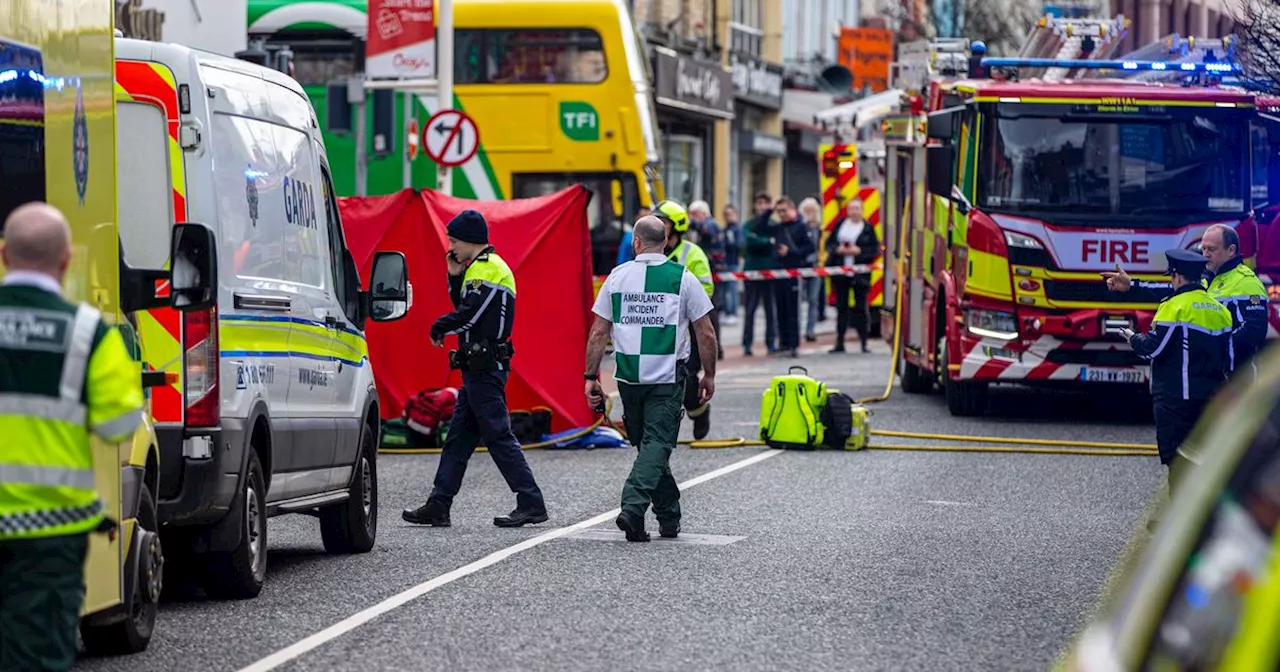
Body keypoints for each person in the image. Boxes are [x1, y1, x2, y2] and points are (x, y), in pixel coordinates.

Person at [0, 202, 143, 672]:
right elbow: (120, 426)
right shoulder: (88, 335)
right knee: (36, 657)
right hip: (48, 534)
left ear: (3, 255)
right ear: (65, 262)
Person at [403, 209, 548, 529]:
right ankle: (439, 504)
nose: (450, 246)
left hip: (485, 368)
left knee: (498, 435)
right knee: (458, 439)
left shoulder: (489, 269)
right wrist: (454, 276)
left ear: (470, 240)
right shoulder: (475, 269)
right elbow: (466, 307)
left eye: (454, 240)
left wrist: (438, 327)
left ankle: (531, 502)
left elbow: (470, 314)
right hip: (476, 368)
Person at [583, 216, 717, 542]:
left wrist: (590, 376)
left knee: (649, 446)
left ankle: (668, 518)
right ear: (667, 241)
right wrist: (709, 375)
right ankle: (632, 507)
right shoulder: (682, 278)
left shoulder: (616, 277)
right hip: (667, 376)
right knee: (655, 445)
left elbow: (599, 331)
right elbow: (706, 333)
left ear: (637, 243)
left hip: (629, 378)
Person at [1104, 224, 1268, 378]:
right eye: (1203, 248)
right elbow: (1171, 289)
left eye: (1211, 249)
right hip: (1209, 379)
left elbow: (1253, 332)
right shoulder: (1207, 278)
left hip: (1236, 379)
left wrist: (1212, 352)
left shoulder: (1247, 283)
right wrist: (1131, 285)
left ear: (1231, 250)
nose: (1205, 255)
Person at [1121, 249, 1232, 473]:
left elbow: (1152, 349)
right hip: (1210, 398)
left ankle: (1180, 507)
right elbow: (1228, 360)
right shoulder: (1220, 310)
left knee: (1178, 463)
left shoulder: (1173, 306)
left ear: (1178, 277)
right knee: (1205, 462)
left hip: (1176, 399)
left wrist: (1133, 338)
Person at [654, 200, 716, 440]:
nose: (659, 225)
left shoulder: (693, 253)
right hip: (658, 325)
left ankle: (698, 411)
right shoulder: (649, 250)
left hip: (688, 325)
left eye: (664, 221)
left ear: (676, 225)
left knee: (688, 379)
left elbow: (706, 288)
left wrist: (678, 301)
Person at [826, 197, 880, 353]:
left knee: (861, 308)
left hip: (860, 275)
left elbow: (874, 250)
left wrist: (859, 252)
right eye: (851, 209)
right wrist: (838, 249)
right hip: (841, 273)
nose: (854, 212)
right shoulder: (841, 225)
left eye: (857, 209)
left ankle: (864, 342)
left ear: (862, 211)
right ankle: (839, 342)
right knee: (841, 308)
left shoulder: (868, 228)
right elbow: (829, 244)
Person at [769, 197, 816, 358]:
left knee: (793, 310)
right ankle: (784, 342)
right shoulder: (777, 227)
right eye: (778, 211)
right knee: (780, 308)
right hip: (778, 272)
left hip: (794, 272)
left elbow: (810, 248)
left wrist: (790, 252)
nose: (781, 214)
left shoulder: (801, 226)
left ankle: (794, 343)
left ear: (792, 209)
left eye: (784, 210)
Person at [742, 192, 778, 356]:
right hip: (751, 271)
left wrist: (763, 242)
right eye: (759, 203)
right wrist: (766, 241)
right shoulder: (749, 224)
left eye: (765, 203)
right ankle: (747, 344)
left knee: (771, 309)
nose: (762, 206)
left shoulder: (773, 224)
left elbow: (776, 243)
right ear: (755, 206)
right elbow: (748, 242)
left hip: (769, 271)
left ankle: (771, 342)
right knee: (750, 309)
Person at [689, 201, 724, 360]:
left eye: (695, 214)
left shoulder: (711, 224)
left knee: (712, 311)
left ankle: (717, 347)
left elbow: (708, 233)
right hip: (707, 270)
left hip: (713, 271)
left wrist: (693, 223)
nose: (692, 218)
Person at [798, 197, 824, 342]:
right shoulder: (800, 227)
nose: (809, 214)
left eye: (812, 211)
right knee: (799, 300)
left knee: (813, 300)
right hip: (801, 266)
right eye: (806, 210)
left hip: (815, 266)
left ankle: (810, 329)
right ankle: (798, 329)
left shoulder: (820, 229)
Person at [720, 205, 742, 324]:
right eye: (726, 214)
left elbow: (739, 245)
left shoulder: (737, 229)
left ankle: (733, 312)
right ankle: (726, 311)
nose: (728, 217)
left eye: (730, 214)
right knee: (724, 289)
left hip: (732, 262)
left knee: (732, 289)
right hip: (724, 263)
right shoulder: (724, 229)